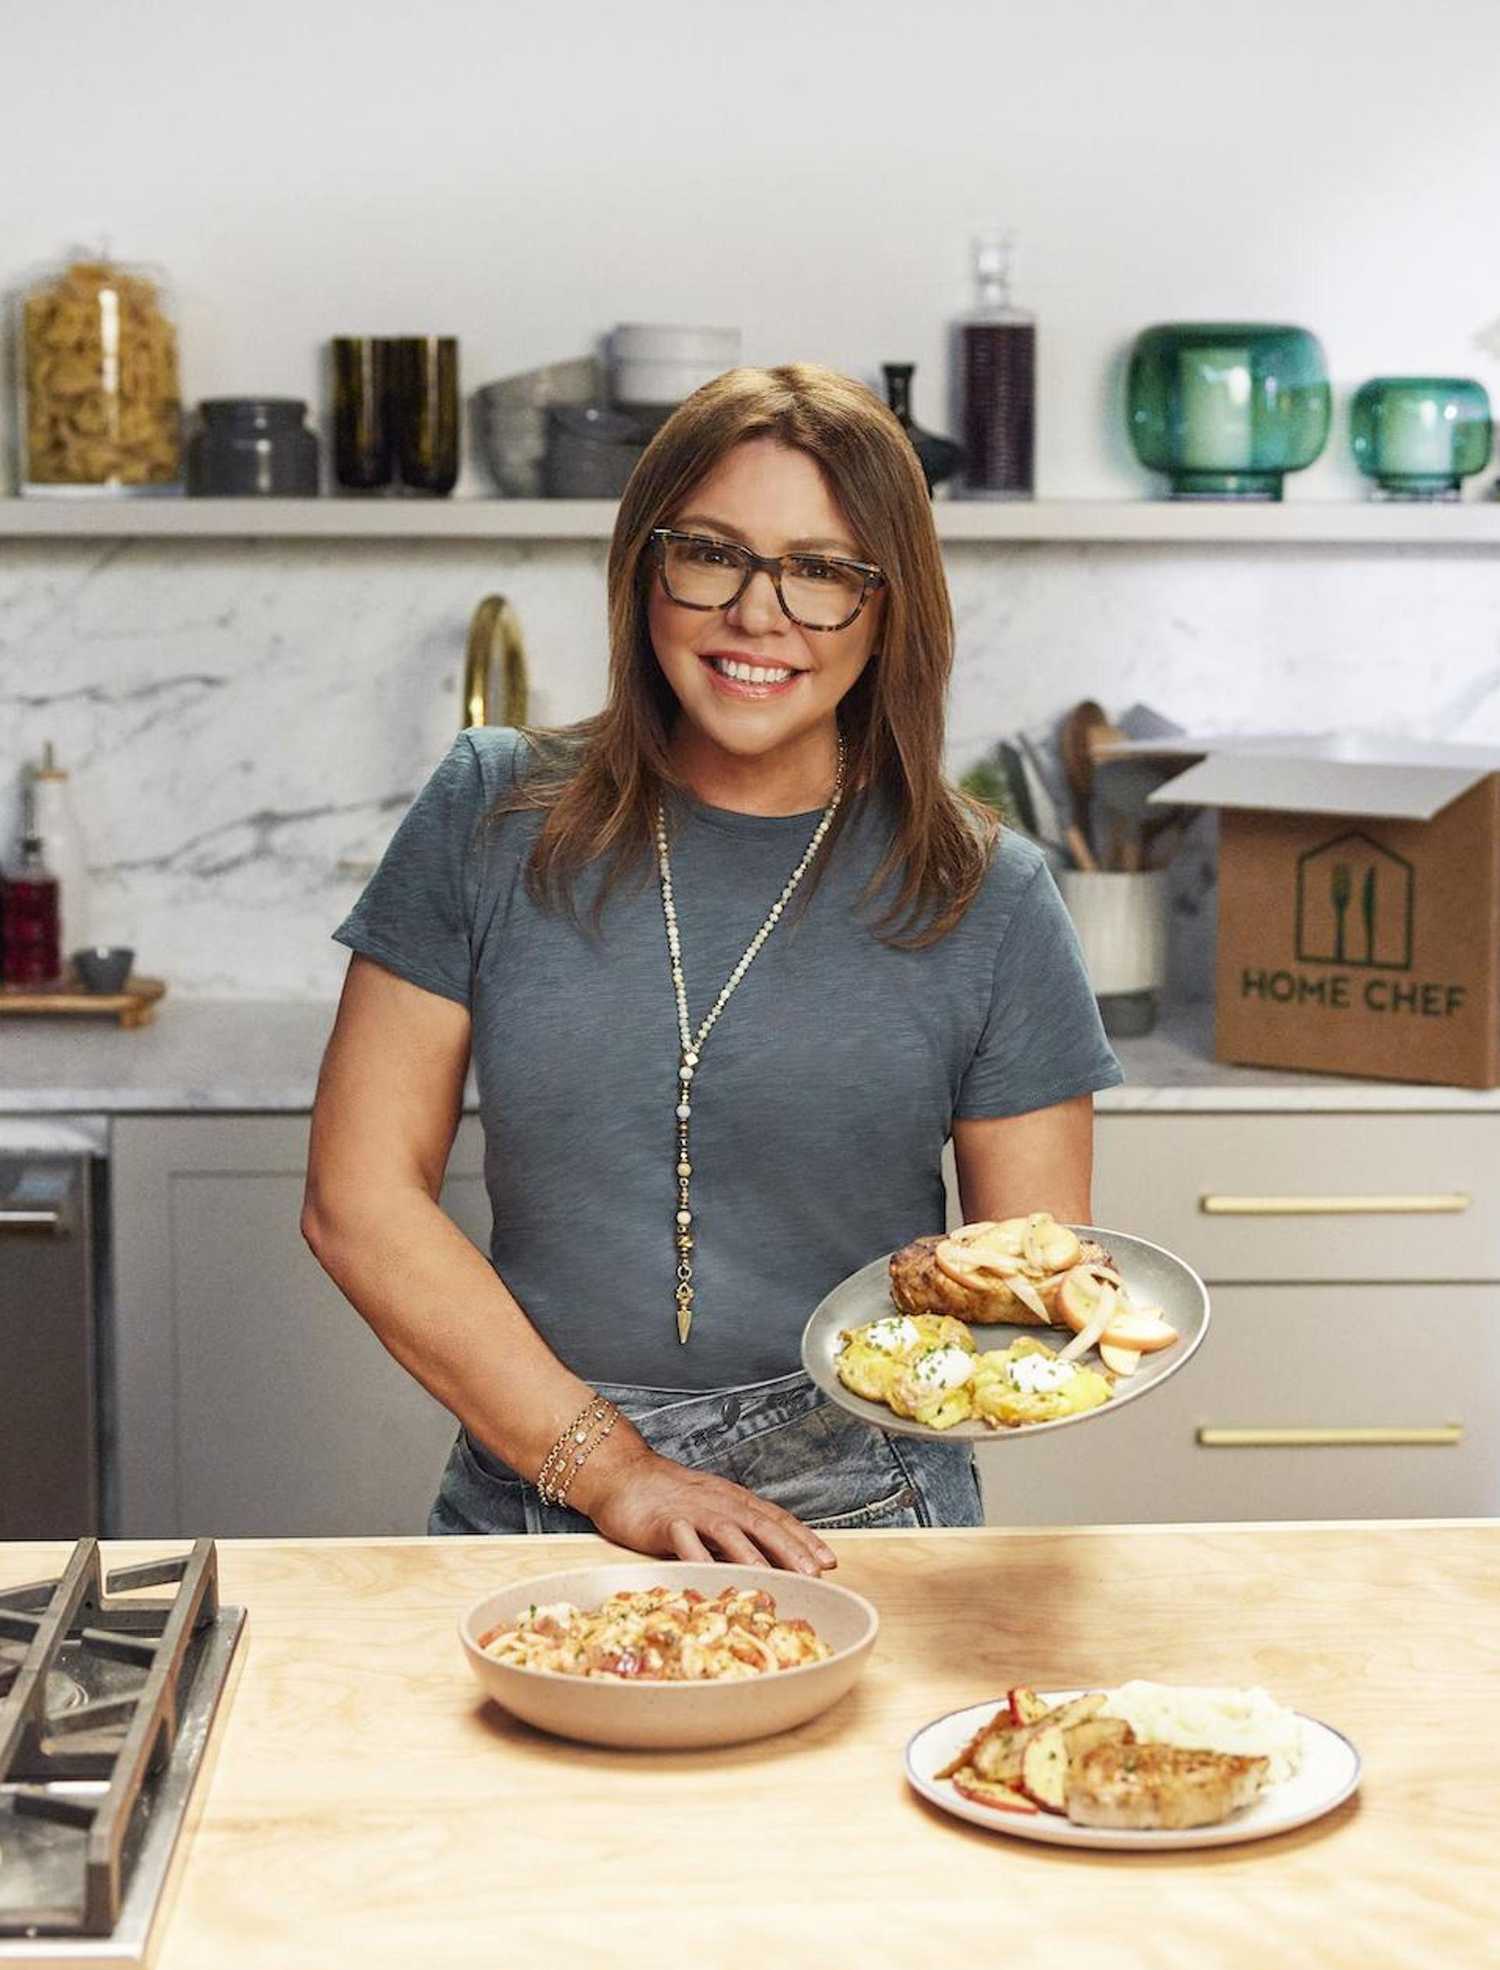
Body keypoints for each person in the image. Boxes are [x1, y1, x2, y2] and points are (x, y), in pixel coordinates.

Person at [302, 362, 1122, 1573]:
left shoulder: (988, 895)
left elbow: (1027, 1279)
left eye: (824, 571)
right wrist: (613, 1468)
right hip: (537, 1481)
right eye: (712, 553)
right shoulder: (489, 810)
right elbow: (356, 1200)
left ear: (891, 608)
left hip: (865, 1511)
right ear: (646, 571)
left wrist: (1075, 1328)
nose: (760, 612)